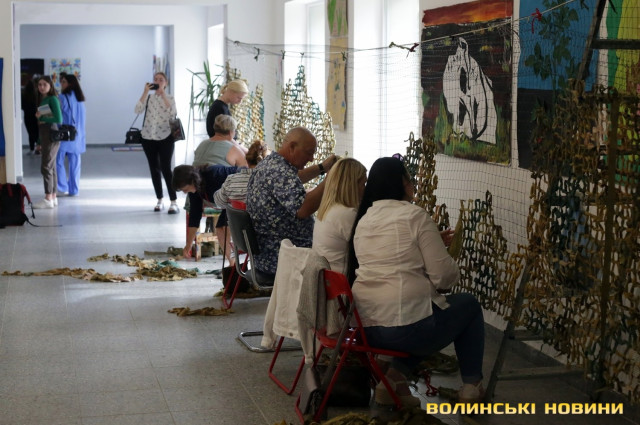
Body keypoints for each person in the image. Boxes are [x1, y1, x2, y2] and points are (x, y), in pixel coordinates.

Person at [347, 156, 485, 407]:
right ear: (401, 183)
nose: (413, 184)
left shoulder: (364, 220)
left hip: (366, 330)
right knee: (468, 305)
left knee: (417, 313)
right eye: (409, 179)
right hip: (404, 330)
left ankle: (393, 380)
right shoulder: (414, 215)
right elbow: (443, 276)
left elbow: (394, 260)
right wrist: (450, 261)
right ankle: (471, 387)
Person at [246, 126, 337, 276]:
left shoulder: (273, 163)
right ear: (292, 147)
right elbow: (303, 209)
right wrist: (332, 178)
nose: (311, 159)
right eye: (309, 153)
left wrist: (323, 168)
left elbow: (294, 179)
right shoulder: (279, 171)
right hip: (281, 255)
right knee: (340, 252)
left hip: (268, 251)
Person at [312, 158, 367, 275]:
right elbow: (368, 250)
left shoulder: (330, 208)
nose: (365, 189)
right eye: (363, 184)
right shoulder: (346, 214)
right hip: (339, 280)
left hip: (324, 278)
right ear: (352, 185)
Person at [172, 164, 238, 261]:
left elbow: (238, 175)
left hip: (240, 195)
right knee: (220, 229)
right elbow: (194, 216)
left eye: (184, 189)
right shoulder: (195, 191)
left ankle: (236, 263)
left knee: (226, 227)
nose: (185, 192)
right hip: (229, 203)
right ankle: (232, 263)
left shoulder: (214, 174)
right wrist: (188, 245)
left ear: (192, 180)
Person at [135, 72, 179, 214]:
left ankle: (173, 201)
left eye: (161, 80)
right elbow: (137, 110)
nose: (157, 82)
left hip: (166, 136)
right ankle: (159, 200)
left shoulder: (170, 98)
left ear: (166, 83)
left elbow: (172, 113)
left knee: (166, 168)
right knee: (154, 169)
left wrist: (163, 94)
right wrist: (145, 92)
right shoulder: (149, 98)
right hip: (148, 137)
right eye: (155, 79)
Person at [32, 76, 63, 209]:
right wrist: (39, 141)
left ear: (50, 85)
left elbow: (58, 119)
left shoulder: (53, 99)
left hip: (51, 134)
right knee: (51, 167)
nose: (42, 87)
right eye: (39, 84)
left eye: (44, 84)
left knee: (46, 167)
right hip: (45, 134)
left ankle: (48, 198)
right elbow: (43, 121)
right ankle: (53, 197)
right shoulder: (43, 99)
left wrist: (42, 118)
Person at [213, 140, 268, 209]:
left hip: (234, 216)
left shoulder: (231, 180)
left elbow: (219, 202)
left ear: (247, 160)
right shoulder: (270, 183)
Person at [56, 74, 86, 197]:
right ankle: (74, 189)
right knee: (75, 163)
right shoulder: (80, 99)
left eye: (63, 82)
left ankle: (62, 186)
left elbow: (57, 116)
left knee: (58, 160)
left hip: (65, 134)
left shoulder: (62, 98)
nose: (61, 84)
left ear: (70, 84)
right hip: (78, 135)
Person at [21, 76, 39, 155]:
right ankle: (39, 147)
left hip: (27, 116)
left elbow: (22, 106)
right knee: (37, 132)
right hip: (36, 116)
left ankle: (32, 148)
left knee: (30, 133)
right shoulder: (37, 95)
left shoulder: (24, 95)